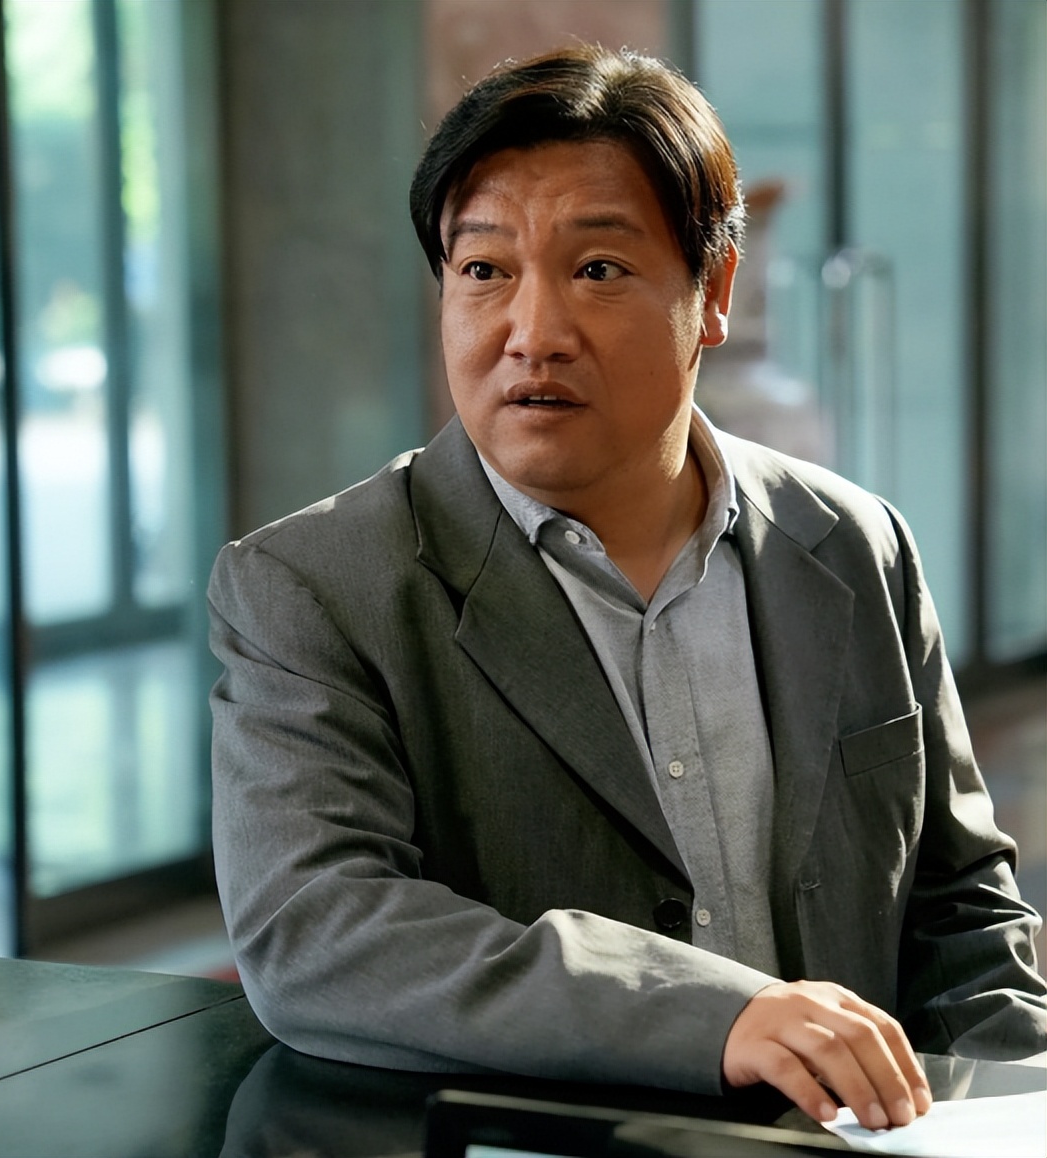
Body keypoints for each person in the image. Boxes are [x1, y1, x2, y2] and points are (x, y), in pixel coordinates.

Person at [209, 44, 1045, 1130]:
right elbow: (319, 931)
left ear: (713, 293)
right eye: (483, 271)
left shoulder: (852, 543)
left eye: (598, 269)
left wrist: (1009, 1116)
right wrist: (716, 1018)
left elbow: (962, 913)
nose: (533, 334)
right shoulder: (311, 586)